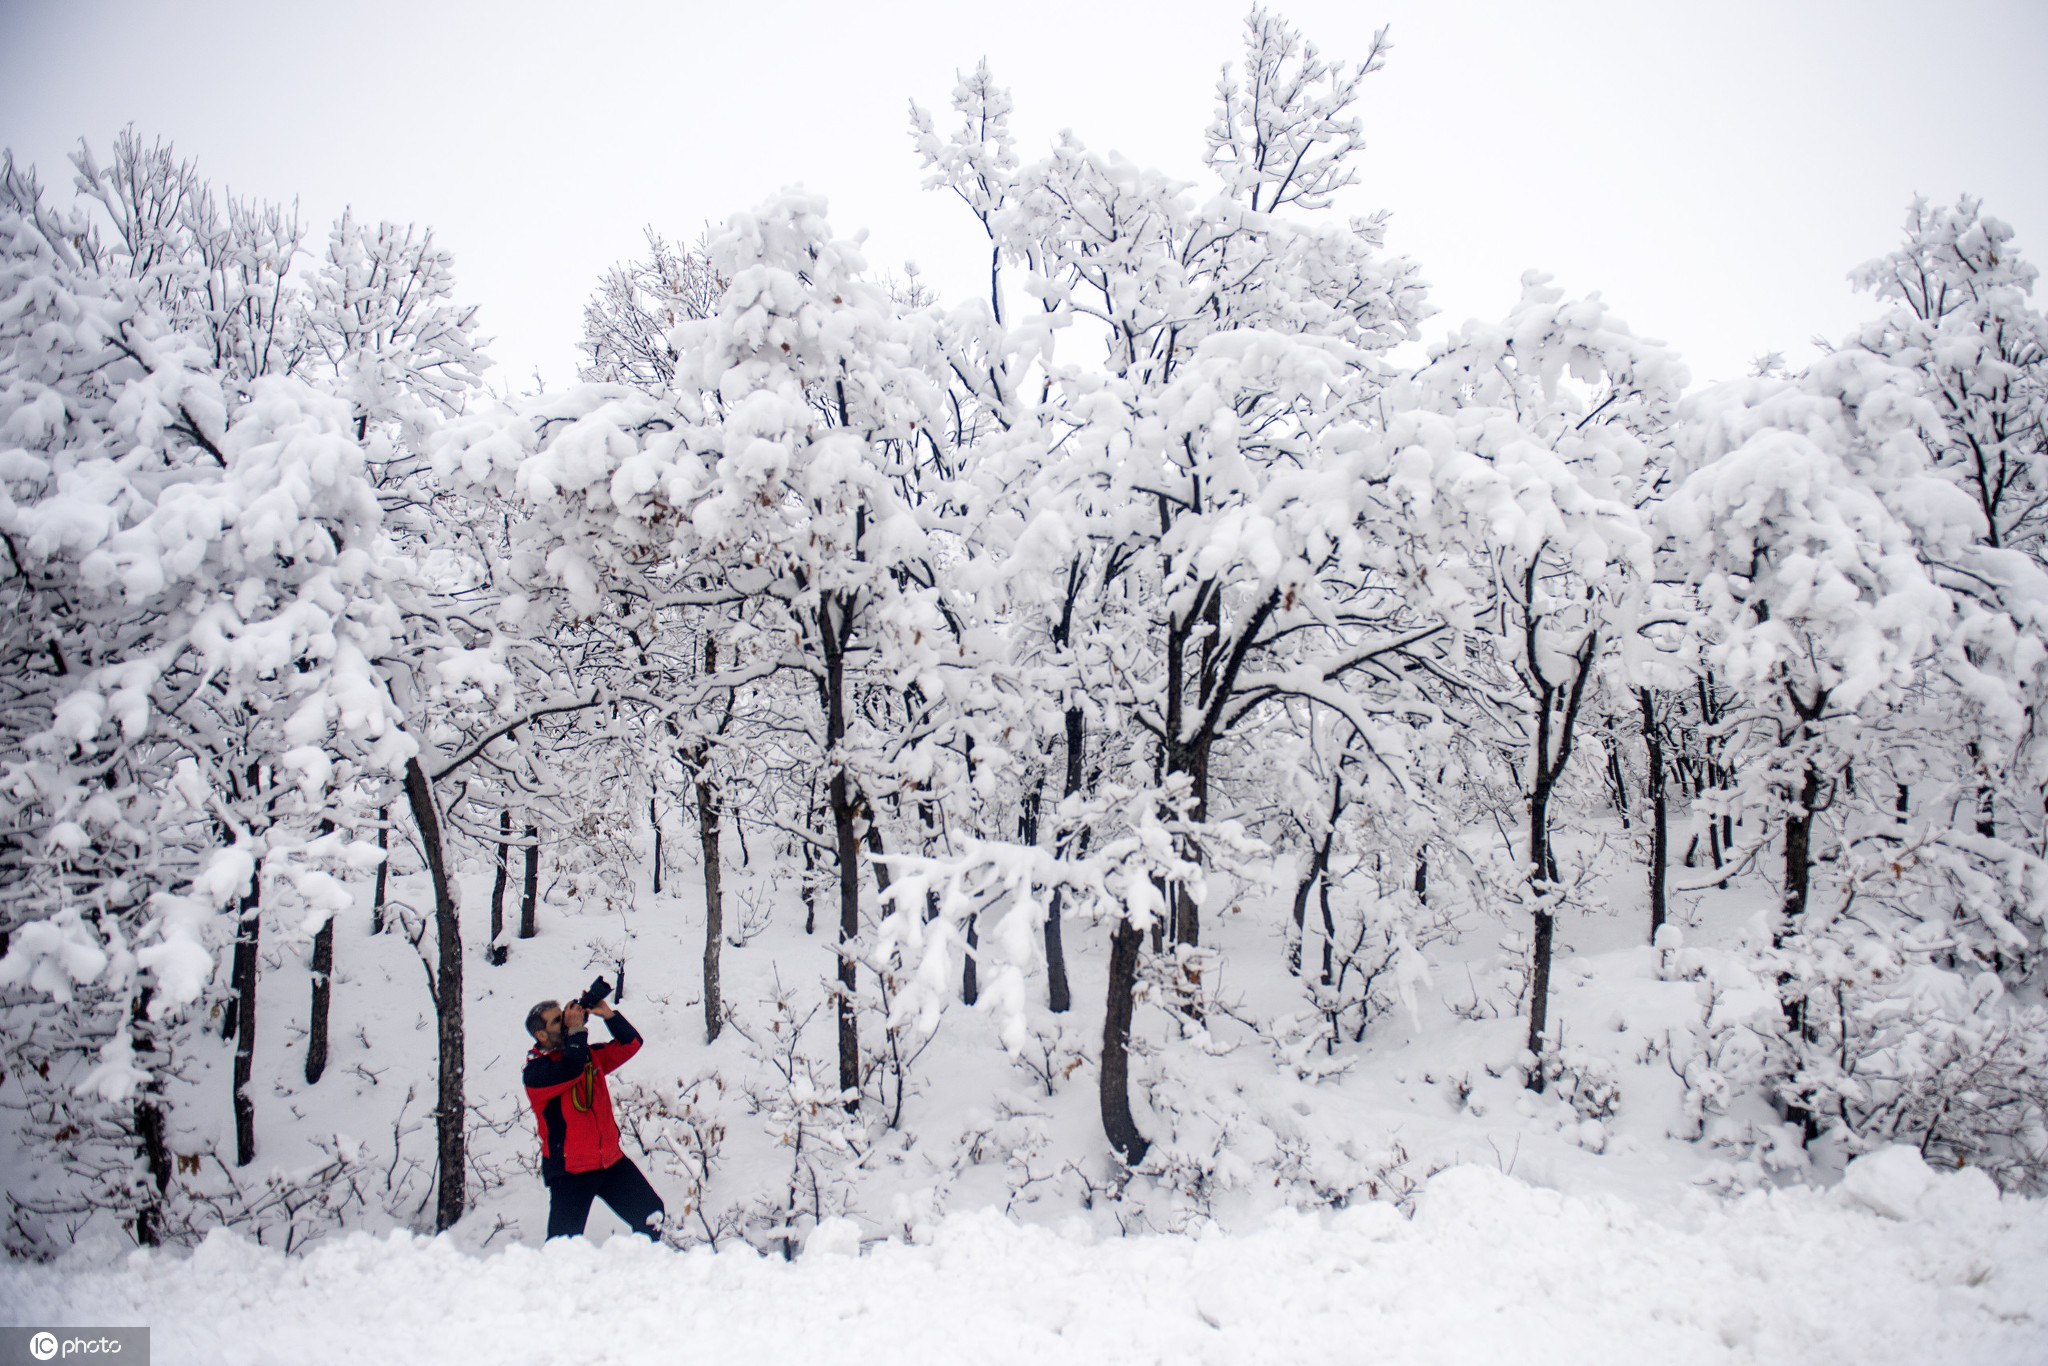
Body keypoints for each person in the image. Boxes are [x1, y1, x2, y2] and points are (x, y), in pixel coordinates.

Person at [522, 994, 666, 1241]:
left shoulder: (586, 1055)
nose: (567, 1021)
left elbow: (631, 1043)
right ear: (541, 1036)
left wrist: (607, 1014)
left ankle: (645, 1271)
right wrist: (577, 1029)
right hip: (571, 1170)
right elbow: (571, 1069)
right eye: (559, 1020)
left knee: (651, 1215)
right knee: (562, 1245)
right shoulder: (537, 1072)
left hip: (609, 1160)